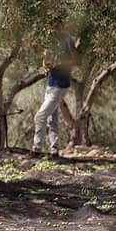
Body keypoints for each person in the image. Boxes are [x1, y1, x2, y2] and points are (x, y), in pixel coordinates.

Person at [30, 19, 79, 159]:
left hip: (61, 84)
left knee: (40, 116)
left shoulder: (68, 40)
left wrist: (59, 63)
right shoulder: (51, 41)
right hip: (51, 83)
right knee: (52, 119)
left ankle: (36, 150)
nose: (54, 28)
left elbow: (76, 61)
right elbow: (46, 61)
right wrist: (47, 65)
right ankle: (54, 151)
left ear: (61, 25)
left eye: (56, 25)